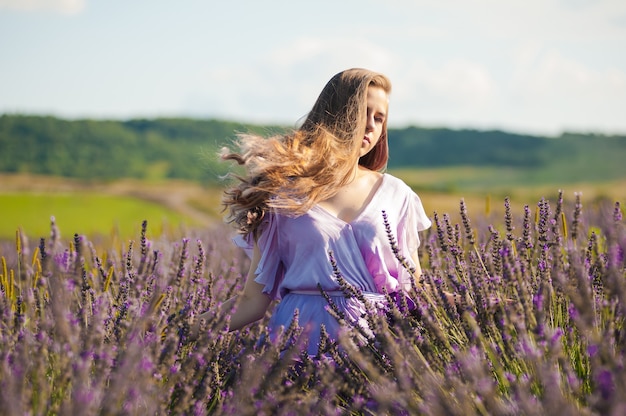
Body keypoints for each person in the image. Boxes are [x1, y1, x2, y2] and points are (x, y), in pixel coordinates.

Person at [197, 68, 431, 356]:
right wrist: (170, 331)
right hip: (297, 345)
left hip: (376, 348)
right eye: (363, 113)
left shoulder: (397, 195)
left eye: (380, 118)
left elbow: (413, 291)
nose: (371, 125)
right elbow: (251, 302)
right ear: (335, 115)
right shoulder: (282, 192)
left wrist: (480, 304)